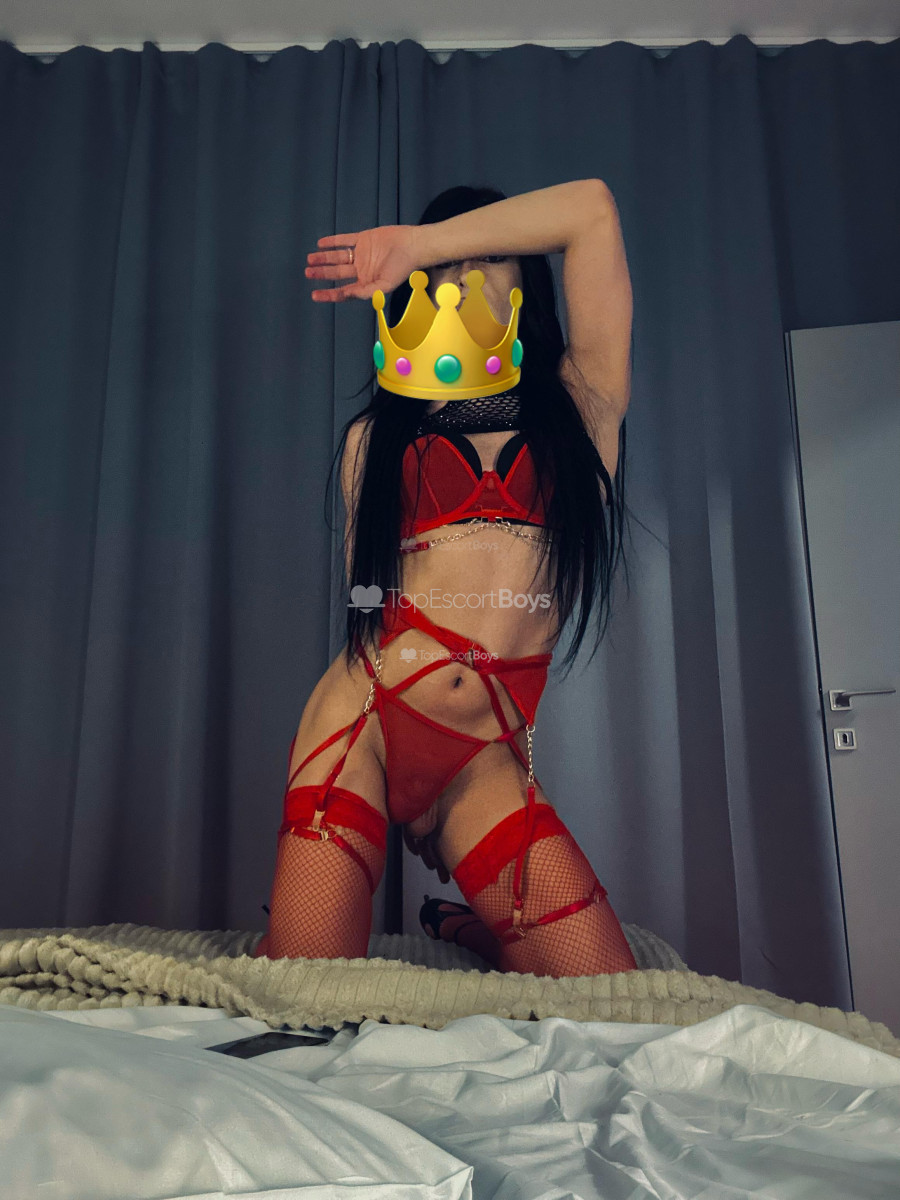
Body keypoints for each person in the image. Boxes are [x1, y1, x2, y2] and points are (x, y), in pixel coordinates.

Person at [254, 179, 638, 977]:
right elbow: (368, 599)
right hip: (362, 717)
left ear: (528, 277)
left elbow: (592, 210)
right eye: (443, 267)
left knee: (610, 997)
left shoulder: (585, 400)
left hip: (480, 756)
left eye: (488, 253)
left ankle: (472, 930)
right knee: (305, 993)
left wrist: (423, 244)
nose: (461, 273)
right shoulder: (376, 437)